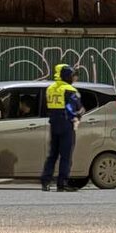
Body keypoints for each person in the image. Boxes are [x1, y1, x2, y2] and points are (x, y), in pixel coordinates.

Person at [40, 64, 83, 192]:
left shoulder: (50, 89)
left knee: (52, 154)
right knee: (65, 155)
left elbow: (45, 107)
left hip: (54, 123)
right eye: (72, 75)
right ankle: (62, 183)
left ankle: (45, 182)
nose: (74, 78)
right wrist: (79, 114)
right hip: (66, 124)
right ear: (67, 76)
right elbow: (73, 108)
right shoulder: (69, 90)